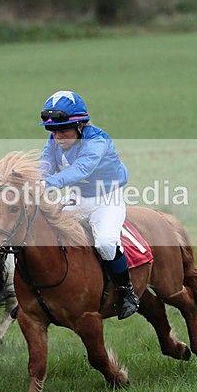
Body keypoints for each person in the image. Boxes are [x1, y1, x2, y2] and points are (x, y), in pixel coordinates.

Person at [38, 90, 139, 319]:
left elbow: (81, 169)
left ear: (80, 125)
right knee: (44, 232)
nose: (58, 136)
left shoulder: (97, 140)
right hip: (77, 199)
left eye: (63, 130)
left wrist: (47, 185)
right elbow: (45, 164)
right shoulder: (54, 140)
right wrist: (34, 180)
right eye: (53, 131)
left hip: (107, 201)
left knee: (105, 242)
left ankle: (127, 292)